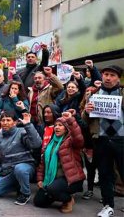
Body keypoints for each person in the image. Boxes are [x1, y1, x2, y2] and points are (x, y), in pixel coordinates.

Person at [82, 65, 123, 217]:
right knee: (105, 174)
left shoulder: (122, 92)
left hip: (121, 140)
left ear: (118, 78)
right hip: (101, 139)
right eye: (106, 74)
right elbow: (84, 119)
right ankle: (108, 206)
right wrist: (86, 110)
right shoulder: (93, 93)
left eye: (112, 75)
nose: (108, 77)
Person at [34, 111, 85, 213]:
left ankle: (69, 200)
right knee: (39, 201)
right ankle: (57, 194)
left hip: (70, 179)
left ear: (66, 129)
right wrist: (40, 179)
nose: (57, 127)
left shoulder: (70, 141)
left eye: (60, 125)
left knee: (52, 189)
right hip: (52, 179)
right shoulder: (50, 144)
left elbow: (78, 138)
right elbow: (42, 164)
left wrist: (71, 120)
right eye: (56, 125)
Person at [0, 111, 42, 206]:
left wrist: (28, 125)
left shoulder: (22, 132)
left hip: (25, 167)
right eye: (3, 120)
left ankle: (25, 193)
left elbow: (36, 144)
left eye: (8, 120)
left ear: (14, 122)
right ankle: (18, 185)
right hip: (7, 171)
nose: (5, 122)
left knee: (19, 169)